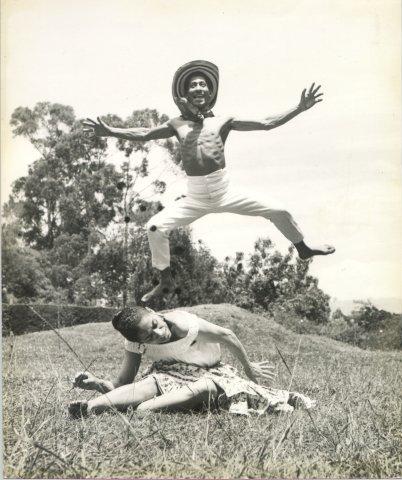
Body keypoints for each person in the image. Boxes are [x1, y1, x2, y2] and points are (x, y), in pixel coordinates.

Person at [83, 60, 335, 302]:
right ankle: (165, 280)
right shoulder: (176, 123)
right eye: (193, 85)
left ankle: (303, 248)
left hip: (224, 190)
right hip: (195, 197)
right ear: (185, 94)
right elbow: (145, 133)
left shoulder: (223, 121)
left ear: (210, 91)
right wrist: (111, 131)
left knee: (280, 211)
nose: (198, 88)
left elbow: (267, 123)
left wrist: (299, 108)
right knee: (154, 228)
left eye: (203, 84)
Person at [68, 306, 315, 418]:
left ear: (153, 312)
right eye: (149, 336)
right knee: (151, 383)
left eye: (155, 324)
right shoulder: (135, 344)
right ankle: (89, 408)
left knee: (146, 408)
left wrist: (250, 369)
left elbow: (228, 335)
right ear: (138, 342)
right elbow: (123, 384)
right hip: (171, 374)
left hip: (211, 374)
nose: (159, 333)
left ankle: (153, 407)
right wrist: (97, 383)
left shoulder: (184, 324)